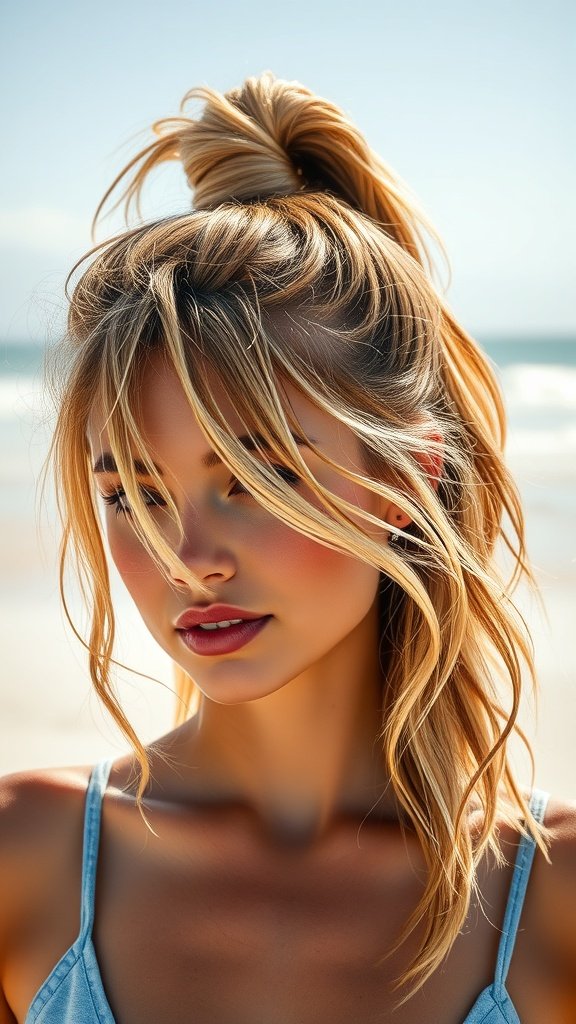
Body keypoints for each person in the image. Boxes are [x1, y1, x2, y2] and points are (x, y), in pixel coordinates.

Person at [0, 72, 574, 1024]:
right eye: (131, 495)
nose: (188, 558)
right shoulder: (28, 863)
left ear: (408, 476)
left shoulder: (549, 904)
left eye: (254, 480)